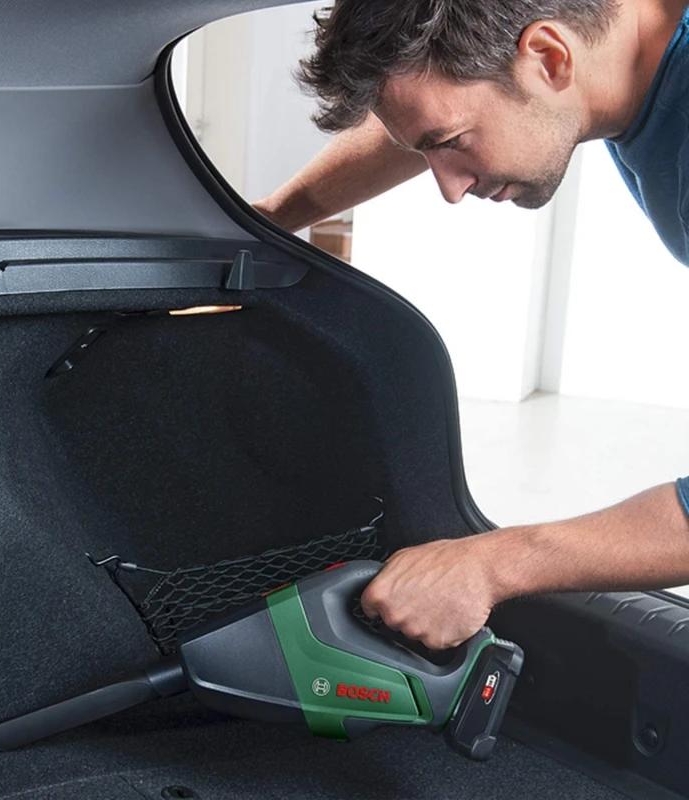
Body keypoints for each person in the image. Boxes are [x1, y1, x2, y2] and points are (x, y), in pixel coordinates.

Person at [252, 0, 689, 650]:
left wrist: (490, 565)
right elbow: (435, 107)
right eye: (429, 150)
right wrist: (269, 221)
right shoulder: (615, 40)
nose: (450, 190)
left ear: (549, 58)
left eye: (451, 145)